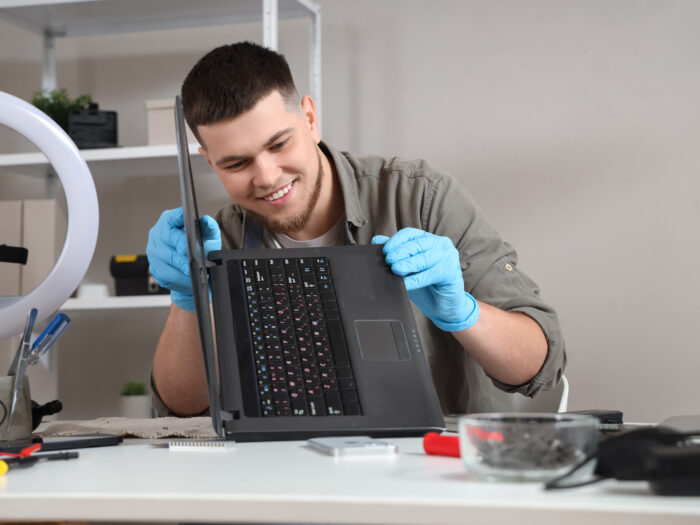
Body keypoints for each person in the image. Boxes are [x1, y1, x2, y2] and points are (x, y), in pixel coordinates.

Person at [146, 41, 566, 417]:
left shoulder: (419, 197)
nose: (267, 176)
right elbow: (181, 407)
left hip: (428, 471)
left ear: (309, 118)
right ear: (209, 161)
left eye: (279, 145)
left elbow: (539, 363)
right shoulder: (218, 239)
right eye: (236, 163)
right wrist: (188, 300)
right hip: (277, 474)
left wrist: (465, 316)